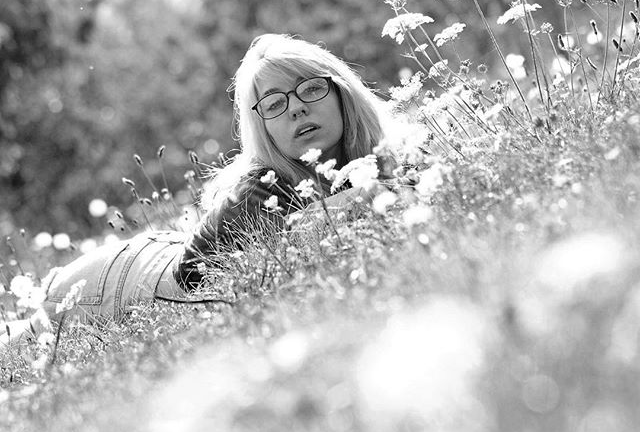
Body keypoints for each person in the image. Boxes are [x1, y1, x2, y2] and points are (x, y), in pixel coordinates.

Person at [1, 33, 393, 343]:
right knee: (11, 351)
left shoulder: (378, 158)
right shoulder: (257, 192)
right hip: (112, 287)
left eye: (309, 89)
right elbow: (301, 236)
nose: (296, 108)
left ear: (341, 91)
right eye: (274, 104)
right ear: (264, 129)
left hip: (154, 253)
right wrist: (376, 194)